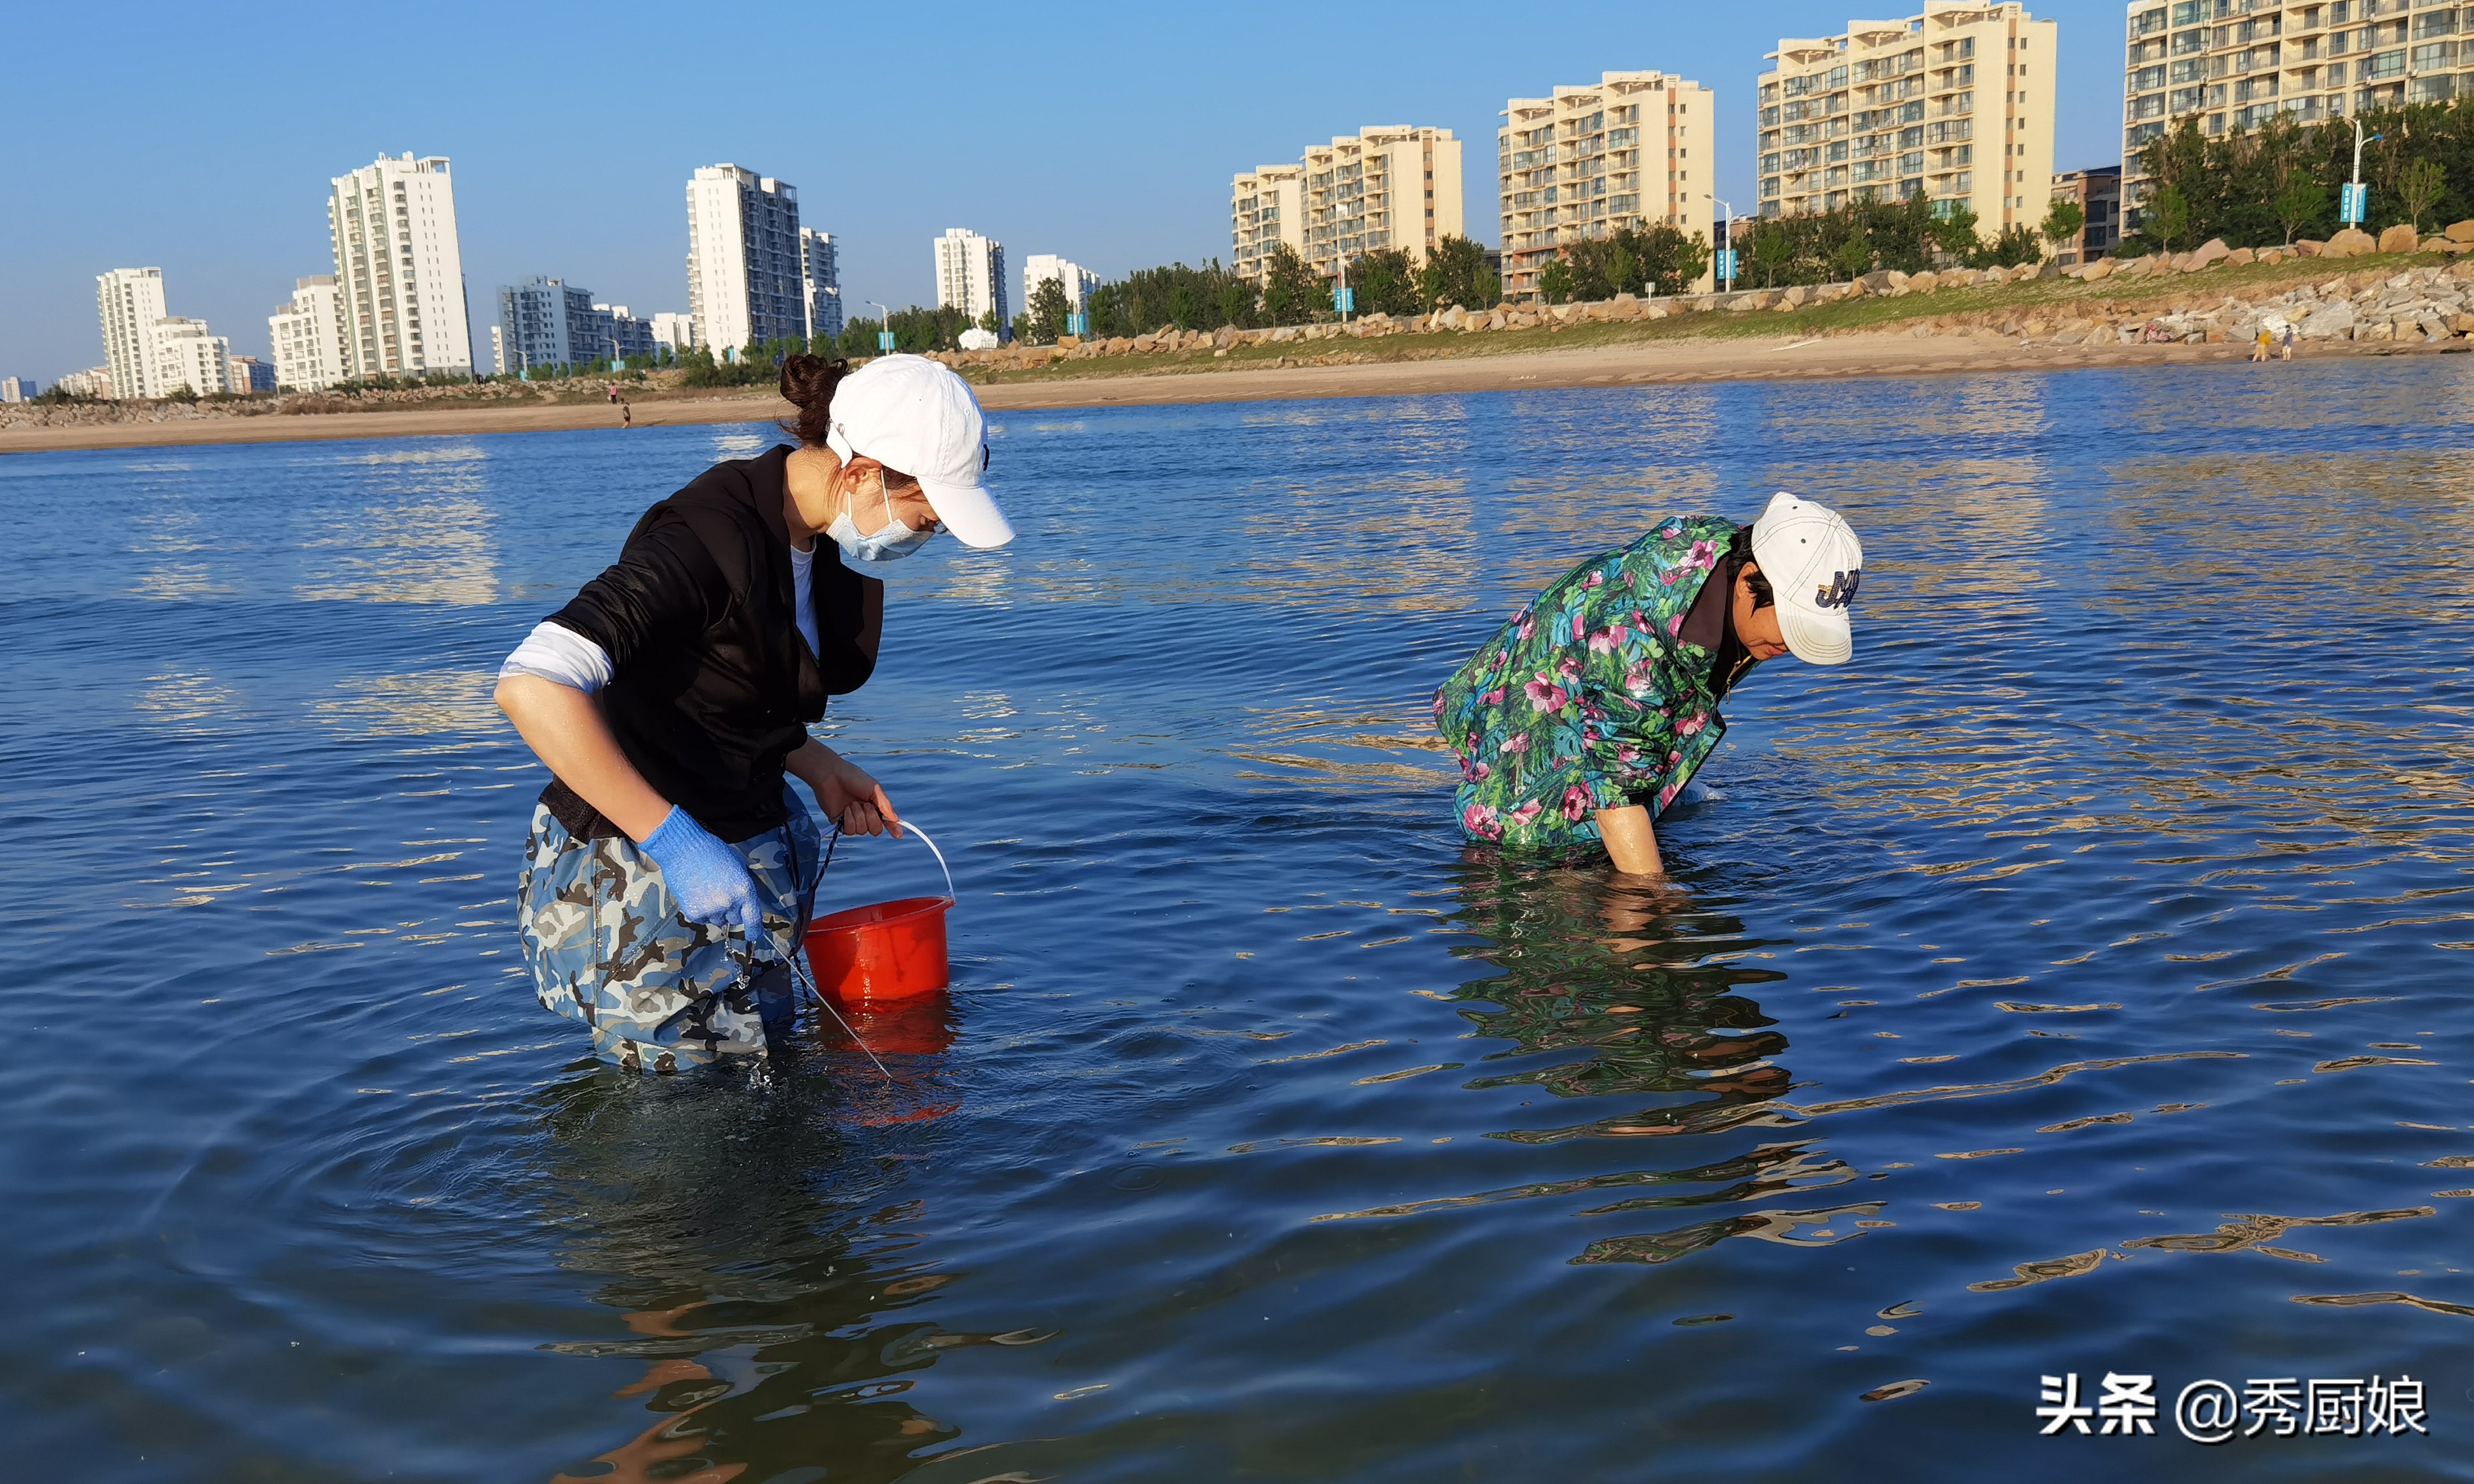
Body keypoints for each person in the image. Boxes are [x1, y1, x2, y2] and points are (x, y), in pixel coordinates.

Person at [495, 354, 1015, 1072]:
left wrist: (816, 762)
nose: (923, 538)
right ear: (862, 473)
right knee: (680, 1128)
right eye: (924, 519)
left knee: (766, 1079)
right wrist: (673, 839)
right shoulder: (699, 540)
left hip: (747, 848)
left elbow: (722, 680)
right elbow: (532, 685)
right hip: (642, 869)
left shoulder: (823, 538)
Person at [1432, 493, 1863, 876]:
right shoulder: (1636, 648)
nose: (1791, 644)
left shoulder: (1732, 553)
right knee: (1544, 852)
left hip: (1587, 690)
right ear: (1748, 578)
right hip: (1526, 724)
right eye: (1790, 626)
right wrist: (1652, 896)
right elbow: (1615, 790)